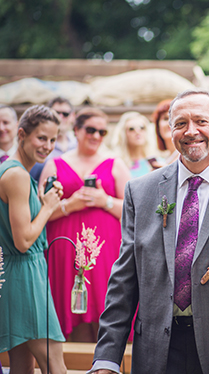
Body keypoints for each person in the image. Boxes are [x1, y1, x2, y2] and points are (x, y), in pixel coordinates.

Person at [88, 90, 209, 374]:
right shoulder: (141, 191)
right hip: (156, 349)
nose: (191, 131)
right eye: (180, 123)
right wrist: (107, 359)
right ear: (169, 131)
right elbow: (124, 278)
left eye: (201, 121)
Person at [40, 107, 131, 343]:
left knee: (104, 305)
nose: (96, 136)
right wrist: (69, 205)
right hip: (64, 249)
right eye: (91, 130)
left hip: (105, 251)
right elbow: (40, 212)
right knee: (69, 308)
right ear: (77, 130)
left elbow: (134, 211)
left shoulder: (115, 164)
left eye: (102, 131)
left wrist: (105, 201)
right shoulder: (55, 165)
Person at [0, 105, 67, 374]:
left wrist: (40, 202)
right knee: (56, 365)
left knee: (22, 367)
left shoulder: (17, 173)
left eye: (53, 140)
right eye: (41, 138)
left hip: (18, 273)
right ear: (21, 134)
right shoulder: (16, 175)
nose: (48, 146)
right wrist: (49, 207)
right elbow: (23, 241)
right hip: (26, 275)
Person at [30, 96, 78, 182]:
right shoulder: (39, 145)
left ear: (72, 116)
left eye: (65, 114)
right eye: (56, 113)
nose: (60, 117)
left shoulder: (78, 143)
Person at [109, 111, 161, 178]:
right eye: (131, 129)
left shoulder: (158, 163)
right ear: (123, 134)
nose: (137, 132)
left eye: (142, 128)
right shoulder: (116, 164)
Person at [151, 98, 179, 167]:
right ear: (158, 126)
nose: (169, 123)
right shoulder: (164, 160)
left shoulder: (187, 158)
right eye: (165, 119)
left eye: (173, 119)